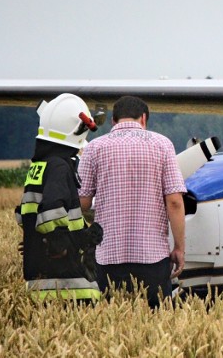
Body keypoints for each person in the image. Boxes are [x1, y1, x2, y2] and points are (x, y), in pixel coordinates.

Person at [78, 95, 186, 308]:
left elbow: (82, 202)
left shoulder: (94, 148)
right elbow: (174, 202)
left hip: (108, 255)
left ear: (113, 121)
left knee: (111, 325)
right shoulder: (163, 145)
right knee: (157, 326)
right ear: (144, 118)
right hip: (153, 257)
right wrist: (179, 247)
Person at [15, 93, 102, 301]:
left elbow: (24, 215)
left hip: (40, 278)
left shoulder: (39, 166)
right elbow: (52, 213)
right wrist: (65, 246)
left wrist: (82, 234)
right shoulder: (59, 166)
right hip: (67, 282)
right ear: (78, 129)